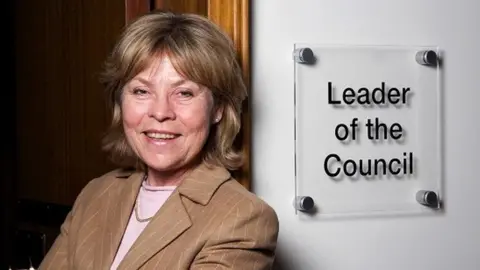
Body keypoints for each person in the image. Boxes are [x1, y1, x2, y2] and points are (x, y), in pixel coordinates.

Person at [39, 10, 279, 270]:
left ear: (218, 109)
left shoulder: (243, 218)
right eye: (141, 91)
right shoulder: (97, 193)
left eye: (184, 93)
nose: (160, 112)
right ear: (121, 101)